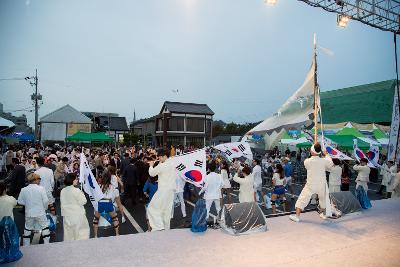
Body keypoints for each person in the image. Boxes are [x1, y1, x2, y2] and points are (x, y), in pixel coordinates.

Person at [289, 143, 333, 222]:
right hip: (321, 184)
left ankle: (297, 216)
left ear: (312, 152)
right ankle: (322, 214)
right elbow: (330, 165)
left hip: (311, 184)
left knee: (302, 199)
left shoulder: (307, 161)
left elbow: (308, 165)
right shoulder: (324, 161)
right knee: (323, 200)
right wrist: (326, 155)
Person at [147, 149, 176, 232]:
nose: (158, 159)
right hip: (171, 191)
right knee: (166, 211)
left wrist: (151, 165)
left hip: (163, 190)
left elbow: (152, 173)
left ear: (164, 156)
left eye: (159, 157)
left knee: (152, 208)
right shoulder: (172, 162)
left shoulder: (162, 166)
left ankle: (158, 227)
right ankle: (166, 230)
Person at [17, 172, 50, 246]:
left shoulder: (24, 189)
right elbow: (46, 201)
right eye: (39, 179)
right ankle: (47, 244)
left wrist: (28, 204)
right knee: (45, 227)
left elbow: (19, 201)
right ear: (36, 180)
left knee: (27, 229)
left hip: (29, 212)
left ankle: (26, 246)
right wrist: (45, 208)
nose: (40, 181)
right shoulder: (41, 188)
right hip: (40, 212)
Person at [93, 170, 124, 238]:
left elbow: (94, 196)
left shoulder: (98, 186)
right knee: (115, 218)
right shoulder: (113, 187)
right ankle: (117, 234)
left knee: (96, 220)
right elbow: (119, 203)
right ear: (110, 178)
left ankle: (95, 236)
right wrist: (122, 215)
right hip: (109, 203)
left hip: (99, 204)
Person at [60, 173, 90, 241]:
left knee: (69, 236)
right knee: (81, 235)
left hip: (67, 216)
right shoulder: (76, 190)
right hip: (77, 215)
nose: (77, 180)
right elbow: (83, 201)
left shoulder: (63, 191)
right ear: (72, 180)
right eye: (76, 179)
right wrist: (82, 194)